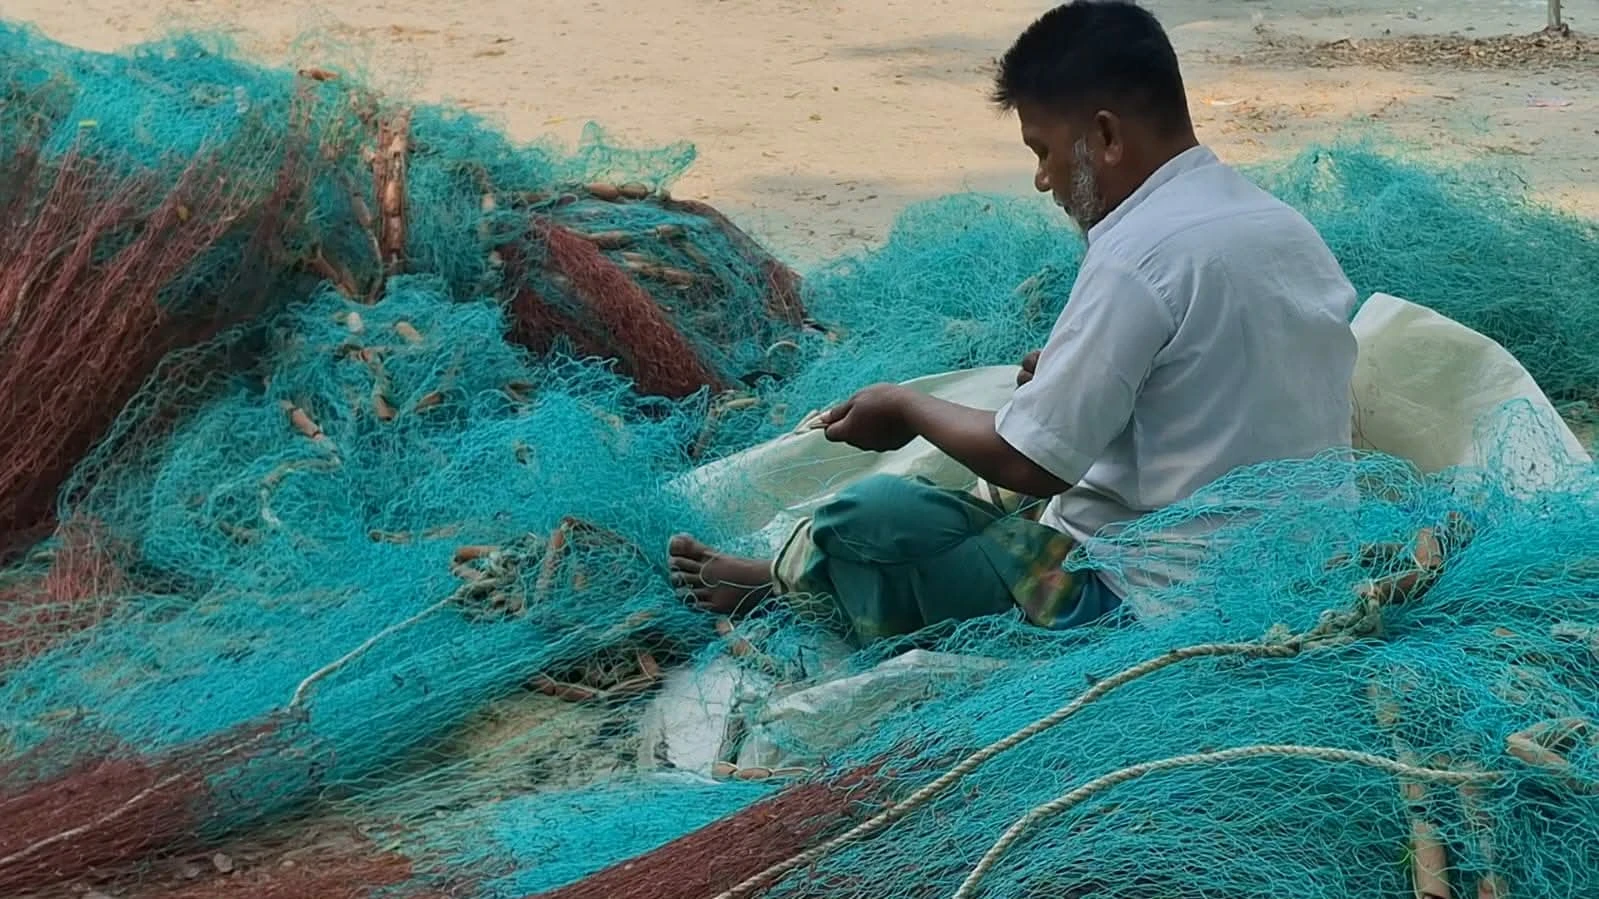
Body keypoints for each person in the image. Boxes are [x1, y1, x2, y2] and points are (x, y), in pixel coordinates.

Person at [669, 0, 1359, 643]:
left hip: (1150, 598)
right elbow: (1215, 390)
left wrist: (903, 406)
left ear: (1105, 136)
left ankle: (782, 586)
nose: (1041, 180)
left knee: (869, 517)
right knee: (963, 493)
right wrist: (1065, 379)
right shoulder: (1280, 225)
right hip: (1303, 568)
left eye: (1041, 151)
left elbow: (1028, 463)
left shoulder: (1137, 255)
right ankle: (784, 578)